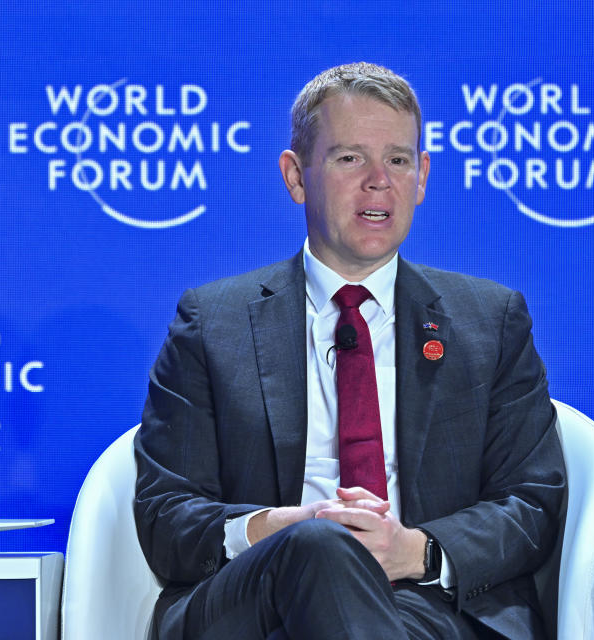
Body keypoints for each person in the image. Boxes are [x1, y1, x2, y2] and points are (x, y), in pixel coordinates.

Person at [134, 62, 566, 640]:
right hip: (255, 603)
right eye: (349, 158)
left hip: (428, 605)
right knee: (317, 546)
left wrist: (415, 550)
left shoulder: (490, 321)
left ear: (421, 177)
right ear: (295, 177)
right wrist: (274, 528)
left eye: (397, 159)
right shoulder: (213, 323)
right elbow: (167, 516)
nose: (378, 181)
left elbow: (532, 503)